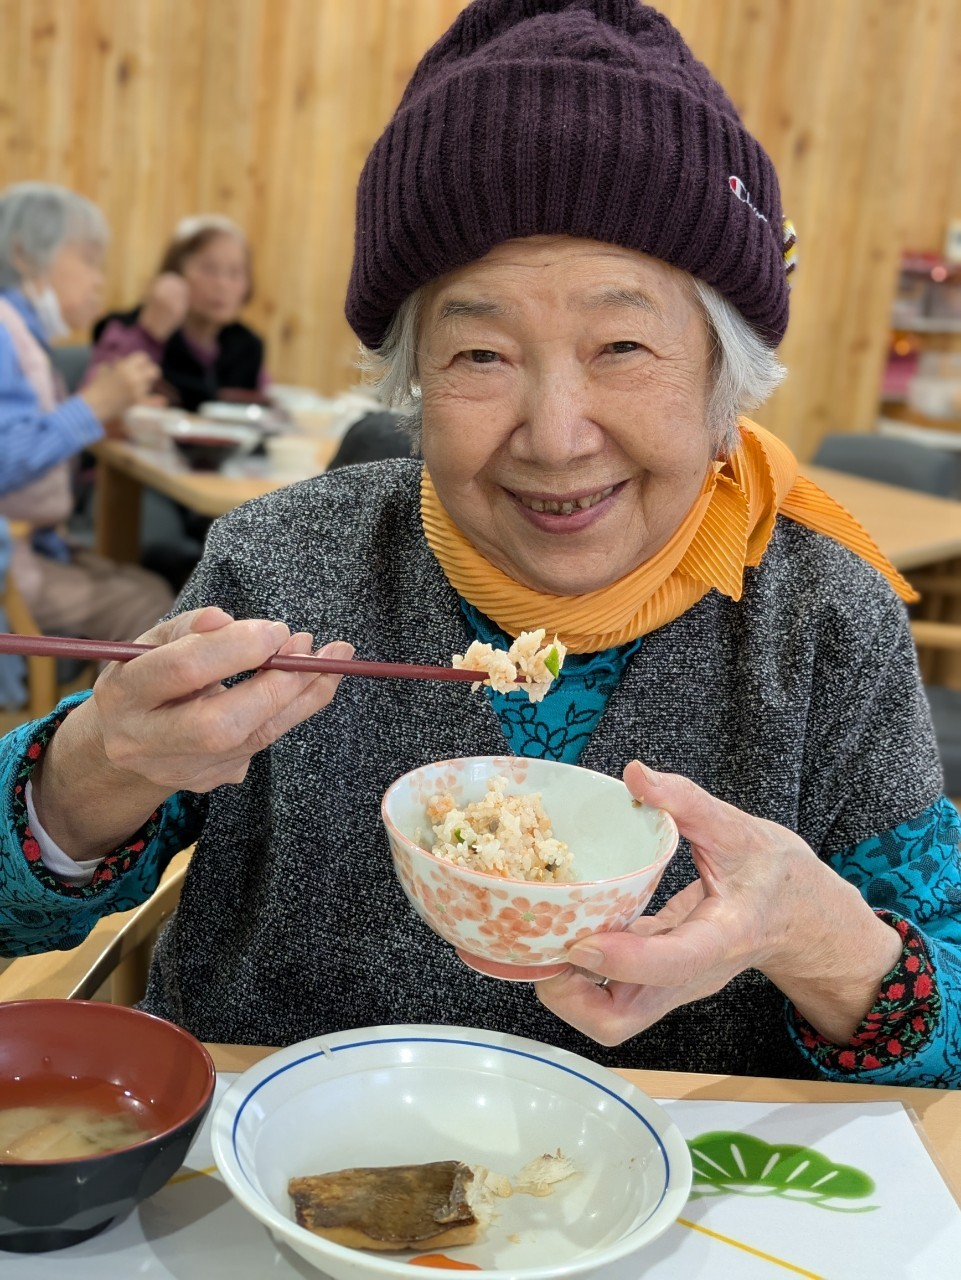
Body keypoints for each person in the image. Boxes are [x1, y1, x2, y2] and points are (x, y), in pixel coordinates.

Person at [1, 0, 958, 1087]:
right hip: (267, 1167)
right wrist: (87, 772)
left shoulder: (824, 621)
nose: (554, 435)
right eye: (480, 354)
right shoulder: (283, 564)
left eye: (622, 344)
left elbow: (950, 1027)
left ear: (722, 385)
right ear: (413, 381)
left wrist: (818, 939)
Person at [0, 182, 174, 647]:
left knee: (152, 586)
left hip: (38, 546)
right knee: (153, 606)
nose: (99, 280)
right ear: (23, 253)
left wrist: (105, 415)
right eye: (89, 260)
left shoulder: (20, 333)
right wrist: (93, 405)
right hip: (12, 563)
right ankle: (101, 699)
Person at [86, 214, 266, 413]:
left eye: (235, 273)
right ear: (175, 273)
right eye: (209, 269)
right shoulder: (126, 329)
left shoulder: (247, 346)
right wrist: (149, 334)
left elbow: (263, 406)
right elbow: (94, 404)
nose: (222, 284)